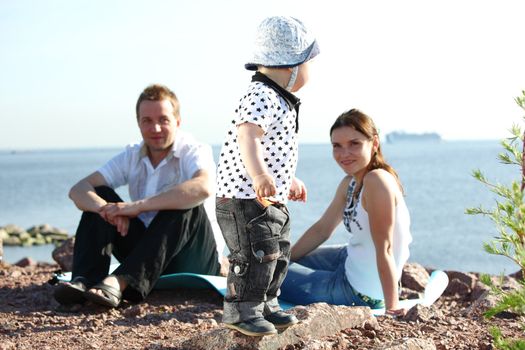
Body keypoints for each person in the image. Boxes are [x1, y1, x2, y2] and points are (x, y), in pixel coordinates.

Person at [53, 84, 225, 308]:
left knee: (185, 200)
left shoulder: (194, 150)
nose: (155, 128)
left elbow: (203, 187)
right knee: (100, 195)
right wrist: (108, 211)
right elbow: (78, 189)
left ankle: (121, 281)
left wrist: (137, 207)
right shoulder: (132, 154)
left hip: (193, 256)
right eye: (147, 121)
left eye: (163, 119)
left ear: (177, 122)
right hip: (147, 254)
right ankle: (85, 280)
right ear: (139, 124)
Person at [215, 16, 320, 336]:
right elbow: (249, 136)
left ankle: (266, 303)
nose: (310, 73)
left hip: (266, 195)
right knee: (252, 254)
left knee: (277, 250)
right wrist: (260, 174)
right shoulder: (261, 94)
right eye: (308, 64)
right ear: (289, 65)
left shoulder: (280, 99)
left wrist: (288, 180)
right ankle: (241, 310)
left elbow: (276, 150)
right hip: (244, 196)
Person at [280, 109, 412, 316]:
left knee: (267, 274)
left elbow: (385, 248)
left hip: (359, 291)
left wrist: (392, 306)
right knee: (275, 264)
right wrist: (284, 259)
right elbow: (322, 229)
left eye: (354, 144)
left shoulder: (376, 181)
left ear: (374, 143)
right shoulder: (350, 183)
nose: (344, 154)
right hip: (350, 259)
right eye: (337, 146)